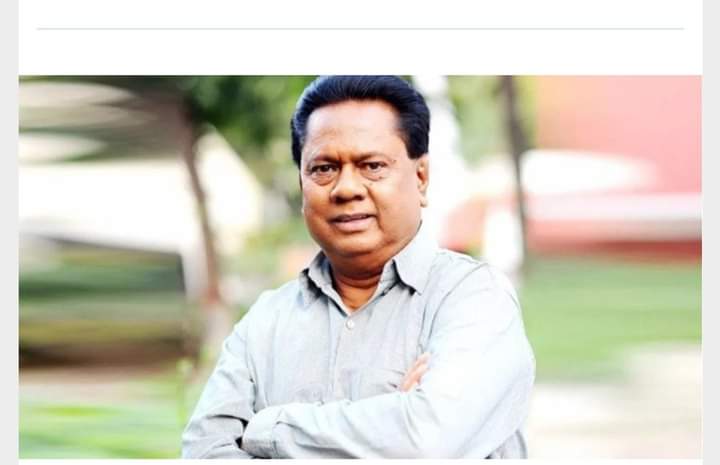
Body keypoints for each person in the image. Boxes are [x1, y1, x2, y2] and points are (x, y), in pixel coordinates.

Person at [181, 75, 536, 459]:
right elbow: (204, 451)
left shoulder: (473, 299)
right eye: (323, 168)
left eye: (372, 166)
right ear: (301, 183)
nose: (346, 188)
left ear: (421, 178)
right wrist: (389, 425)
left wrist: (269, 429)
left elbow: (426, 440)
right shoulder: (266, 321)